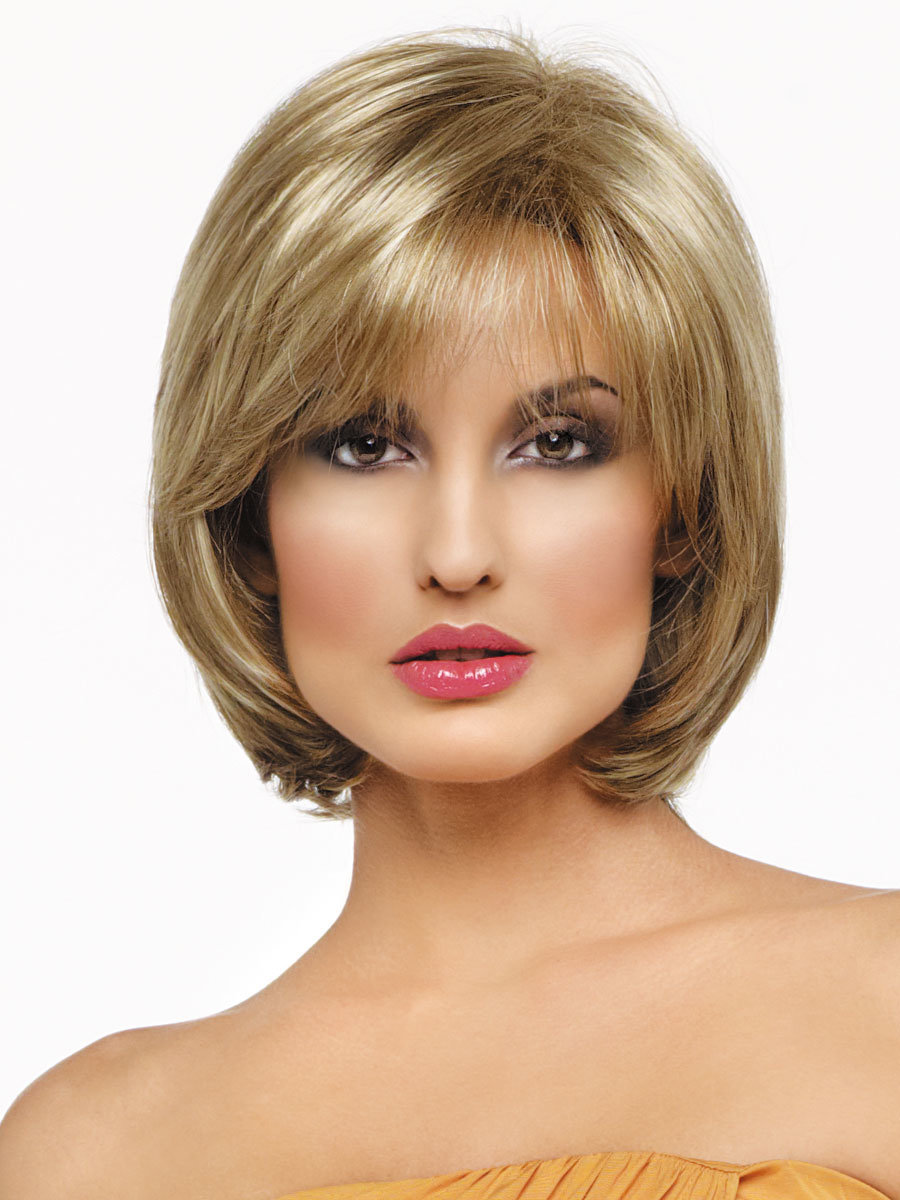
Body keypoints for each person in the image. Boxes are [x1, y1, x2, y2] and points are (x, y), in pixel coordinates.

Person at [1, 25, 897, 1200]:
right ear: (251, 518)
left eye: (558, 443)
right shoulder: (93, 1154)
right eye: (364, 445)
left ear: (682, 505)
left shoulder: (879, 1001)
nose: (459, 556)